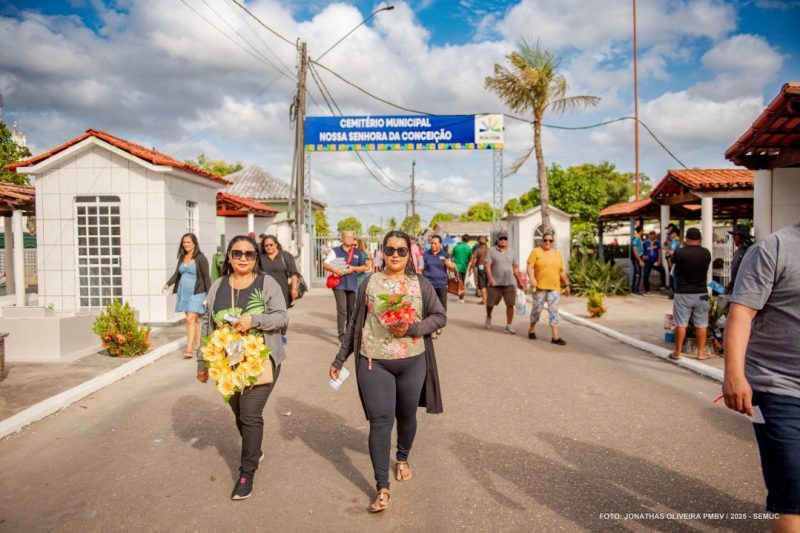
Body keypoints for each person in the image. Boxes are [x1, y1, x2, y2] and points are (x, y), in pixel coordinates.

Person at [328, 230, 445, 513]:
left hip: (412, 361)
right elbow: (355, 322)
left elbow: (439, 316)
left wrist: (413, 329)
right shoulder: (369, 282)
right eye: (390, 249)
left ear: (408, 254)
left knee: (406, 415)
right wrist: (340, 357)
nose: (395, 255)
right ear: (383, 252)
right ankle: (382, 487)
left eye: (401, 250)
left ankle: (402, 457)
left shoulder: (420, 284)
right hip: (374, 361)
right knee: (380, 422)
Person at [196, 235, 288, 500]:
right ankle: (254, 449)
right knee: (237, 411)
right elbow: (207, 324)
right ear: (229, 256)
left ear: (255, 257)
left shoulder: (266, 283)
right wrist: (202, 361)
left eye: (249, 254)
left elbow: (282, 318)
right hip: (228, 362)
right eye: (237, 253)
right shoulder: (218, 286)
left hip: (261, 360)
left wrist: (254, 320)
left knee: (249, 414)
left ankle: (247, 472)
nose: (243, 258)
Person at [722, 222, 800, 532]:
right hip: (779, 388)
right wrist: (734, 373)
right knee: (792, 492)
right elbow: (741, 312)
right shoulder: (773, 248)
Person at [162, 233, 211, 358]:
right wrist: (168, 284)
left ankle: (189, 348)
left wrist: (209, 294)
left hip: (198, 292)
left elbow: (206, 276)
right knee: (194, 320)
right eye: (184, 242)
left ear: (194, 243)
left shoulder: (200, 258)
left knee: (189, 319)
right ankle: (198, 344)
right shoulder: (182, 257)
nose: (186, 244)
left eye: (188, 242)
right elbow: (177, 274)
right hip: (184, 292)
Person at [670, 227, 711, 360]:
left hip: (683, 293)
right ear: (700, 239)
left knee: (681, 323)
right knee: (702, 324)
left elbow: (672, 264)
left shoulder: (680, 252)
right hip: (701, 293)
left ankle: (677, 352)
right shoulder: (706, 253)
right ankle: (701, 353)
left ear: (686, 239)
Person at [323, 230, 369, 345]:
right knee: (342, 310)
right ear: (342, 238)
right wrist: (335, 270)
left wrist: (353, 268)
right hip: (339, 284)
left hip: (352, 285)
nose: (350, 239)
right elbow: (325, 264)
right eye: (348, 237)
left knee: (351, 311)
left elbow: (365, 267)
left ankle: (349, 335)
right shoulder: (335, 251)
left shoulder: (358, 252)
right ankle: (341, 336)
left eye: (352, 237)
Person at [526, 229, 570, 345]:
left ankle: (555, 337)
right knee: (537, 309)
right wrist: (532, 278)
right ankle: (531, 329)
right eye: (545, 240)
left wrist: (567, 284)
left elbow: (561, 272)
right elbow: (530, 267)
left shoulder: (557, 254)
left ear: (553, 242)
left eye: (550, 240)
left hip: (554, 287)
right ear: (542, 241)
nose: (547, 242)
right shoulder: (536, 252)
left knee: (553, 311)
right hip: (540, 287)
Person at [259, 235, 298, 344]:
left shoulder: (285, 256)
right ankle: (270, 336)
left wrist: (294, 288)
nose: (268, 247)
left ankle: (282, 335)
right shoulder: (260, 258)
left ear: (276, 244)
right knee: (267, 313)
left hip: (282, 291)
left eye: (271, 244)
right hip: (265, 291)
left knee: (282, 314)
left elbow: (294, 273)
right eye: (266, 245)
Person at [484, 231, 524, 334]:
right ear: (497, 240)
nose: (503, 240)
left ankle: (508, 325)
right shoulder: (491, 251)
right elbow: (487, 266)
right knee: (490, 304)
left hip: (509, 283)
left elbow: (515, 269)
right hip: (495, 283)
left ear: (507, 240)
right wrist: (490, 278)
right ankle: (488, 316)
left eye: (505, 239)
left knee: (510, 304)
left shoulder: (512, 252)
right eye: (501, 239)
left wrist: (519, 281)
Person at [422, 234, 455, 337]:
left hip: (441, 284)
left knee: (442, 307)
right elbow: (421, 269)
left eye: (435, 243)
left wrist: (450, 265)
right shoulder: (425, 255)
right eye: (431, 243)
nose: (432, 245)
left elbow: (452, 269)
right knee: (429, 306)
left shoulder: (445, 255)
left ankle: (439, 325)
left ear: (440, 244)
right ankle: (432, 329)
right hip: (429, 284)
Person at [726, 224, 752, 293]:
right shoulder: (737, 252)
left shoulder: (749, 251)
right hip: (735, 289)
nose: (733, 237)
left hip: (744, 290)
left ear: (742, 236)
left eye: (735, 235)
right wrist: (731, 284)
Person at [468, 235, 489, 305]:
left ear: (479, 243)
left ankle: (484, 300)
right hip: (489, 269)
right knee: (487, 284)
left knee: (482, 285)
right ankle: (488, 299)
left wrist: (470, 268)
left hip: (481, 269)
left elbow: (474, 261)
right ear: (486, 242)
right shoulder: (489, 250)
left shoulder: (477, 250)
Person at [451, 235, 473, 303]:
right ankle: (461, 297)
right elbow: (470, 258)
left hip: (456, 267)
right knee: (462, 282)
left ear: (462, 239)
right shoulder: (469, 248)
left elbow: (451, 256)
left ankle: (460, 297)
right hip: (464, 267)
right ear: (468, 240)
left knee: (458, 282)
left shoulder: (456, 247)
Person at [664, 224, 681, 297]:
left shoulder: (675, 241)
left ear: (675, 233)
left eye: (672, 233)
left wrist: (667, 250)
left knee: (673, 277)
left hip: (673, 261)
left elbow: (672, 252)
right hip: (675, 261)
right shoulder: (678, 241)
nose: (671, 235)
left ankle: (675, 293)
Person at [630, 226, 645, 295]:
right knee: (637, 273)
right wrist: (640, 260)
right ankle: (634, 290)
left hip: (639, 257)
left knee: (639, 273)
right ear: (641, 230)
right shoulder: (635, 238)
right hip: (636, 258)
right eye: (643, 230)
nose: (643, 232)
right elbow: (635, 250)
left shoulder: (638, 238)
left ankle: (637, 289)